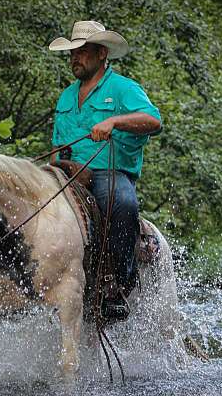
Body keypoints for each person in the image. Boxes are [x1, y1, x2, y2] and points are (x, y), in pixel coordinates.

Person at [48, 20, 162, 318]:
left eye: (83, 51)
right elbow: (58, 144)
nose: (75, 57)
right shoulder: (66, 96)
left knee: (121, 202)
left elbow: (154, 122)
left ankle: (118, 288)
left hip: (108, 173)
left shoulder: (124, 88)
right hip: (66, 171)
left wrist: (114, 122)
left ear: (102, 54)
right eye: (73, 52)